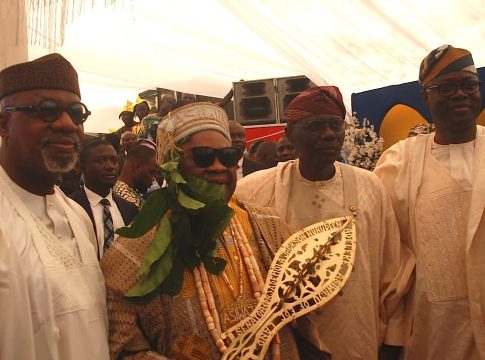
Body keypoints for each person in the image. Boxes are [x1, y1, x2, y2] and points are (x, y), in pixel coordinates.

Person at [100, 102, 301, 359]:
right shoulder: (133, 252)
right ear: (171, 167)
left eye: (228, 156)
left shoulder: (268, 224)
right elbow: (126, 350)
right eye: (203, 156)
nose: (218, 166)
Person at [235, 86, 412, 359]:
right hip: (288, 339)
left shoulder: (370, 186)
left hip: (359, 333)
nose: (329, 134)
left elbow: (392, 268)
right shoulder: (253, 191)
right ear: (291, 133)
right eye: (315, 126)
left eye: (335, 125)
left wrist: (394, 338)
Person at [374, 45, 485, 359]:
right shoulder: (399, 163)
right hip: (433, 328)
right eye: (446, 87)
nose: (460, 94)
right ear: (425, 97)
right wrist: (393, 332)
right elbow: (391, 256)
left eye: (468, 85)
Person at [0, 53, 109, 359]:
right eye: (46, 110)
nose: (66, 123)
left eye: (76, 113)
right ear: (4, 123)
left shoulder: (77, 216)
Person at [70, 139, 138, 260]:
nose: (110, 167)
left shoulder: (130, 209)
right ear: (82, 168)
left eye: (113, 160)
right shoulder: (70, 207)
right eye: (100, 161)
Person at [113, 141, 158, 208]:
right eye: (151, 172)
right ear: (137, 167)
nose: (153, 178)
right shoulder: (125, 199)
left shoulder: (125, 191)